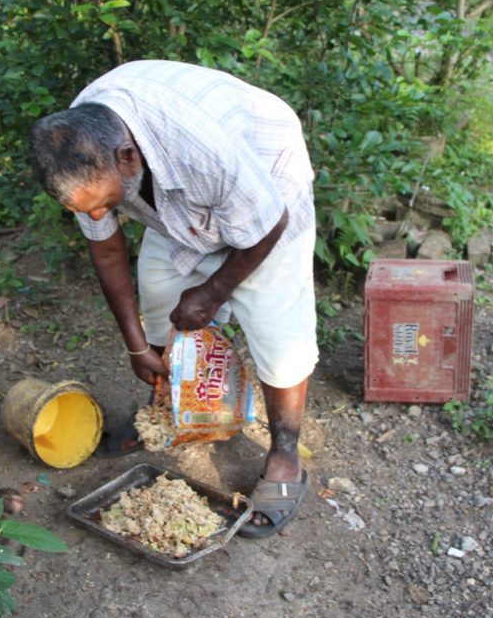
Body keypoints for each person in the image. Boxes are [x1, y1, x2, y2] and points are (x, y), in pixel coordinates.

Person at [29, 60, 318, 538]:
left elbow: (269, 224)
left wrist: (211, 292)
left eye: (106, 202)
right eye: (89, 209)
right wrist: (136, 345)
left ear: (127, 158)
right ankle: (162, 409)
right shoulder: (79, 147)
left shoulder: (204, 151)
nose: (100, 214)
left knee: (278, 330)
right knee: (161, 290)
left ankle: (285, 454)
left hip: (263, 179)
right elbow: (106, 248)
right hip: (178, 195)